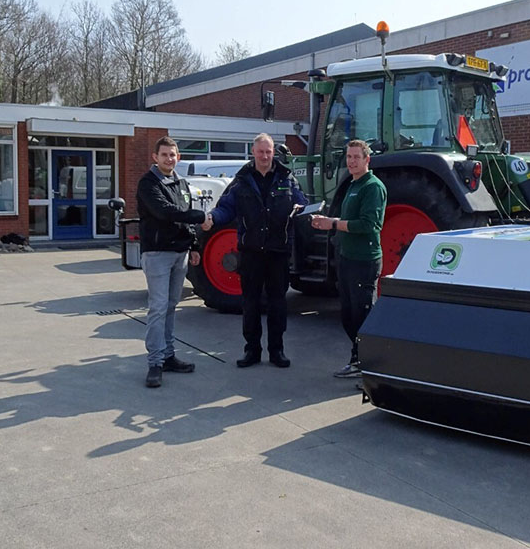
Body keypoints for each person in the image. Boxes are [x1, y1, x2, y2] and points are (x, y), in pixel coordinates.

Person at [202, 133, 307, 368]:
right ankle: (252, 351)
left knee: (277, 303)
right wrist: (211, 219)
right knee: (249, 304)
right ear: (253, 152)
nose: (265, 156)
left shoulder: (286, 178)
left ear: (273, 152)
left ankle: (277, 351)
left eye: (268, 151)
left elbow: (301, 202)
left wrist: (301, 208)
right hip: (250, 253)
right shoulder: (241, 181)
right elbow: (225, 209)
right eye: (261, 152)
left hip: (278, 252)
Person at [310, 139, 387, 378]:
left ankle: (371, 367)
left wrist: (332, 223)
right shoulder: (352, 185)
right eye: (349, 157)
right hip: (347, 258)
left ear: (367, 160)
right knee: (348, 314)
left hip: (364, 260)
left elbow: (369, 224)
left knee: (363, 314)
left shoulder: (372, 187)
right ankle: (358, 360)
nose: (351, 161)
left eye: (356, 157)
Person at [136, 137, 207, 388]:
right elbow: (165, 212)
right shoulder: (148, 184)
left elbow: (184, 216)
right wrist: (201, 217)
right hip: (157, 254)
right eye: (165, 155)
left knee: (170, 306)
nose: (169, 159)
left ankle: (168, 356)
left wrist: (195, 245)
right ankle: (155, 363)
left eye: (173, 155)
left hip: (180, 253)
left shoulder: (181, 183)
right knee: (157, 307)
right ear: (155, 157)